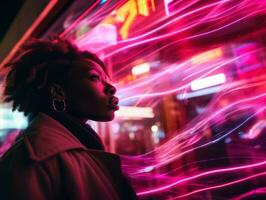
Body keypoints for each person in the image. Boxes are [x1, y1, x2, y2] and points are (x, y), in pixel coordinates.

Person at [0, 38, 138, 200]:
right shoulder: (30, 160)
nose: (112, 88)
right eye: (95, 78)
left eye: (107, 80)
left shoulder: (78, 149)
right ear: (58, 92)